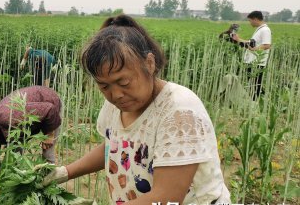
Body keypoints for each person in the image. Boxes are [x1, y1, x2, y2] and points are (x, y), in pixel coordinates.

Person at [41, 15, 230, 204]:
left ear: (149, 63)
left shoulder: (179, 112)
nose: (116, 94)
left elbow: (167, 197)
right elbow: (113, 144)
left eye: (123, 82)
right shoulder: (117, 104)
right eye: (104, 87)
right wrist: (64, 173)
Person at [0, 86, 62, 172]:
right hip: (20, 119)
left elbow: (50, 109)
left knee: (47, 152)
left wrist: (49, 134)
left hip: (49, 105)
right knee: (14, 159)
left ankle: (50, 177)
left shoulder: (9, 117)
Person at [232, 11, 272, 100]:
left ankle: (255, 103)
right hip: (252, 61)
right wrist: (238, 39)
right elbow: (252, 43)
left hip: (257, 62)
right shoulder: (260, 29)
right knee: (253, 83)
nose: (250, 23)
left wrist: (254, 49)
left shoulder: (265, 30)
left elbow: (267, 45)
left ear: (255, 19)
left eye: (250, 21)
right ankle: (257, 100)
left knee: (255, 84)